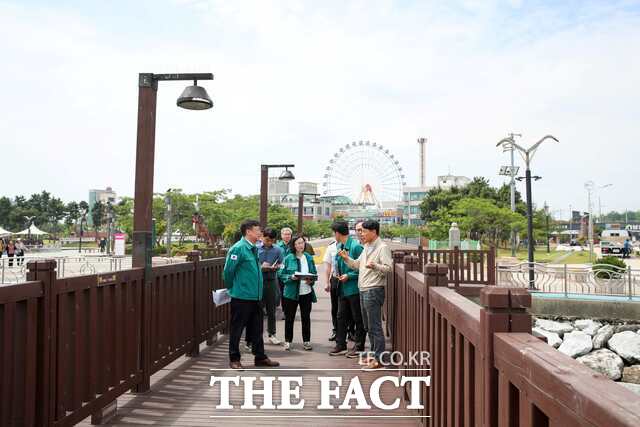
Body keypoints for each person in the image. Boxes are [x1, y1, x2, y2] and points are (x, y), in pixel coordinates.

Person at [223, 219, 280, 370]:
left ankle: (260, 357)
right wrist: (234, 289)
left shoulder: (253, 247)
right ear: (248, 232)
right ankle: (234, 358)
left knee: (257, 328)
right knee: (237, 328)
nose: (260, 233)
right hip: (242, 296)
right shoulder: (238, 248)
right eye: (257, 230)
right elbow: (228, 273)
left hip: (255, 296)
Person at [339, 220, 392, 369]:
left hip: (373, 289)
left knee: (374, 326)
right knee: (368, 326)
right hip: (363, 289)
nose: (361, 234)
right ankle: (375, 355)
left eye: (364, 231)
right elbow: (356, 265)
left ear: (374, 232)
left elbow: (388, 268)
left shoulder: (382, 248)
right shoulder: (367, 247)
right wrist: (346, 258)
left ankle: (379, 360)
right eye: (361, 231)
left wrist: (375, 266)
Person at [329, 221, 365, 357]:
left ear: (337, 233)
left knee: (357, 318)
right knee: (340, 317)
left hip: (354, 288)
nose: (333, 235)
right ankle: (340, 345)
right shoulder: (339, 245)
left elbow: (363, 268)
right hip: (342, 288)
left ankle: (359, 346)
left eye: (334, 233)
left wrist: (349, 276)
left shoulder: (356, 247)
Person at [278, 234, 318, 351]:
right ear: (293, 245)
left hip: (306, 292)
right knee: (289, 318)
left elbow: (314, 274)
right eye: (298, 243)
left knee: (306, 317)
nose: (301, 245)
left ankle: (306, 341)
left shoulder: (309, 258)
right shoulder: (288, 258)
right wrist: (291, 277)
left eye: (302, 243)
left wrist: (311, 279)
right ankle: (288, 341)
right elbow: (280, 274)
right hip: (291, 293)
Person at [324, 238, 354, 342]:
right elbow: (328, 265)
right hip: (335, 278)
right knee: (335, 306)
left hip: (348, 278)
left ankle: (351, 331)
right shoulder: (331, 247)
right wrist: (327, 282)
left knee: (350, 306)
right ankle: (336, 330)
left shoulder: (352, 246)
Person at [258, 228, 284, 345]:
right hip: (258, 281)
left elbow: (282, 264)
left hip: (271, 281)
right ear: (262, 236)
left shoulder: (278, 249)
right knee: (257, 310)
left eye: (271, 241)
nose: (268, 242)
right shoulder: (256, 248)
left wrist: (277, 266)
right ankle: (255, 337)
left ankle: (272, 334)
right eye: (267, 240)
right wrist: (261, 267)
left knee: (271, 309)